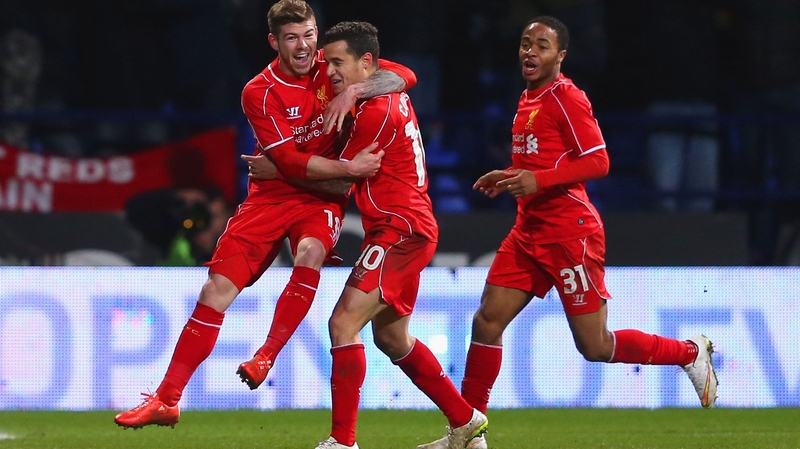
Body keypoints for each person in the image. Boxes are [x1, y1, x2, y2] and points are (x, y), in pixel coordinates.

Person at [113, 0, 418, 429]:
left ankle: (266, 356)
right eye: (292, 38)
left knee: (310, 252)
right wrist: (349, 170)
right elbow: (289, 165)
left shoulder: (332, 69)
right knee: (214, 291)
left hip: (319, 199)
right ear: (274, 41)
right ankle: (167, 398)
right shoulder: (259, 91)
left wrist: (355, 90)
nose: (304, 46)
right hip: (269, 198)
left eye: (310, 34)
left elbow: (404, 75)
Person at [419, 16, 719, 449]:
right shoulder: (526, 98)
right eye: (525, 43)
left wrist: (537, 182)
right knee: (486, 321)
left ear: (560, 56)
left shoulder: (567, 98)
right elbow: (543, 163)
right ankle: (467, 433)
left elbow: (599, 162)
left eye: (541, 45)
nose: (530, 52)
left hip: (569, 234)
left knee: (595, 346)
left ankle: (690, 353)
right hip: (529, 231)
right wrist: (508, 176)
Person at [250, 21, 489, 449]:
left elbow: (342, 181)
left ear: (365, 63)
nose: (332, 72)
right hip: (406, 225)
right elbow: (402, 76)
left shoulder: (375, 114)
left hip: (400, 229)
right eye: (329, 63)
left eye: (338, 63)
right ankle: (466, 423)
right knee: (391, 336)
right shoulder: (383, 96)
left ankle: (343, 442)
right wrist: (353, 92)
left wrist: (280, 168)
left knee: (343, 323)